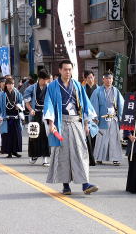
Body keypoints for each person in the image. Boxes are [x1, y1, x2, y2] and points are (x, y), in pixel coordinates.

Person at [44, 60, 98, 195]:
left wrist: (86, 123)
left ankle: (85, 184)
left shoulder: (78, 86)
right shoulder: (52, 86)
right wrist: (51, 124)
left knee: (81, 152)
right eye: (65, 69)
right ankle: (66, 185)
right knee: (63, 154)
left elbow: (85, 105)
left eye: (70, 69)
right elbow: (49, 104)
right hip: (61, 123)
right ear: (60, 70)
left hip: (76, 122)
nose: (68, 72)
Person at [90, 72, 124, 166]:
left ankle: (115, 158)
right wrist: (95, 118)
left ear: (112, 80)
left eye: (110, 78)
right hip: (102, 118)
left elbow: (121, 104)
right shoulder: (97, 91)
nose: (109, 80)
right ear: (103, 79)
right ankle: (99, 158)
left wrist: (121, 117)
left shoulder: (116, 91)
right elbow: (94, 105)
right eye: (107, 78)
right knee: (101, 139)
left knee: (114, 139)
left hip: (113, 118)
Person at [24, 69, 51, 166]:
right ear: (40, 79)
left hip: (46, 115)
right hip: (35, 114)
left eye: (47, 80)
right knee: (34, 135)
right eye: (45, 80)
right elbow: (27, 102)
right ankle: (34, 155)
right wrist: (31, 109)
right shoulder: (31, 88)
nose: (46, 82)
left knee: (45, 136)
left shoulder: (49, 88)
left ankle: (45, 158)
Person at [0, 78, 24, 158]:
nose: (10, 86)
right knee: (7, 135)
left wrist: (19, 107)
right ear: (6, 85)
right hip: (6, 118)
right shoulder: (1, 94)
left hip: (16, 117)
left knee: (17, 135)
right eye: (9, 84)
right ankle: (9, 152)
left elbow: (21, 102)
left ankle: (15, 151)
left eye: (12, 84)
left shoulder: (17, 93)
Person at [83, 70, 98, 166]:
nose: (90, 79)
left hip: (96, 116)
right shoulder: (82, 89)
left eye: (91, 77)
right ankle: (88, 157)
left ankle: (94, 157)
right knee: (87, 138)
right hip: (86, 116)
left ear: (94, 78)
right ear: (85, 79)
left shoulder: (99, 89)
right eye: (88, 77)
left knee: (96, 138)